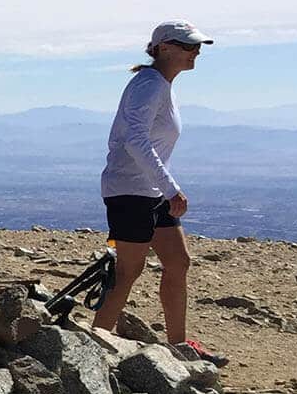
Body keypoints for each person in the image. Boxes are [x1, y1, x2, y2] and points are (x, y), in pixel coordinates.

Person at [91, 21, 221, 363]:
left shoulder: (162, 85)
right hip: (130, 190)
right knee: (128, 272)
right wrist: (171, 188)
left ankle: (178, 346)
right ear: (164, 48)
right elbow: (136, 139)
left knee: (178, 262)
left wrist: (165, 188)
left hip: (151, 190)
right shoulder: (148, 85)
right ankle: (96, 345)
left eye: (197, 46)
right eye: (189, 45)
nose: (196, 52)